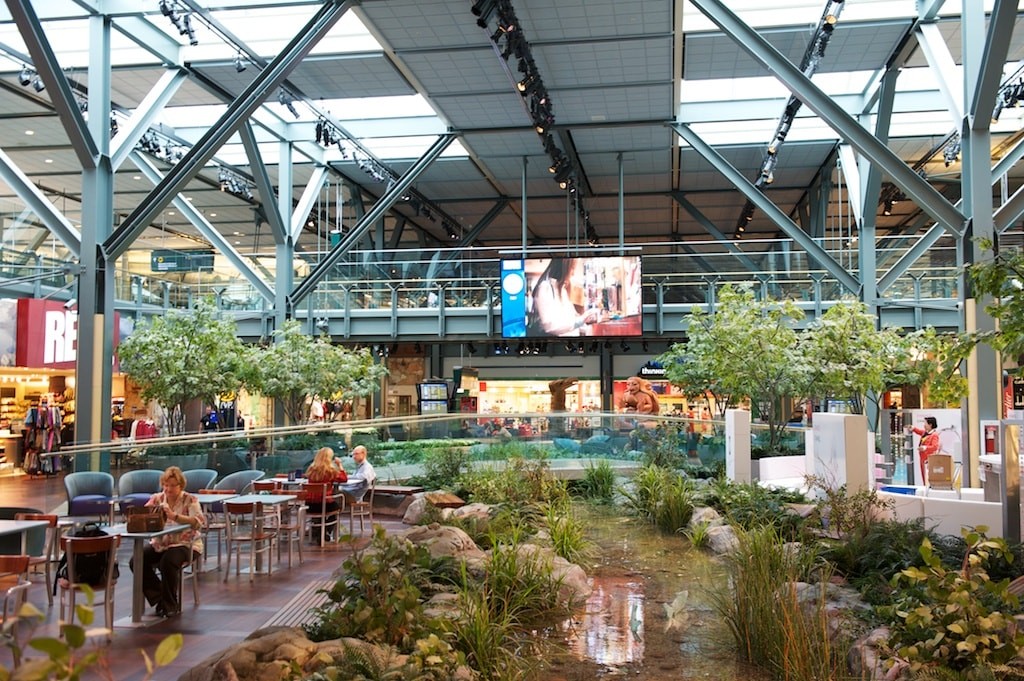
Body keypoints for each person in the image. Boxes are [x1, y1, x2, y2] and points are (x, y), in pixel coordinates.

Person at [129, 466, 205, 618]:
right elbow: (143, 514)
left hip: (186, 544)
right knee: (136, 560)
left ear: (180, 486)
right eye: (166, 485)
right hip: (160, 544)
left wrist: (175, 516)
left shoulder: (190, 499)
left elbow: (198, 522)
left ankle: (170, 605)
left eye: (172, 485)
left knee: (168, 562)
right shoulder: (157, 499)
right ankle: (159, 598)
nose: (168, 489)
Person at [528, 259, 599, 336]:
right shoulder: (545, 288)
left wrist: (584, 319)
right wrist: (581, 320)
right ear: (563, 268)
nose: (573, 273)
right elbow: (550, 326)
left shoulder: (561, 289)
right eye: (572, 268)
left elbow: (571, 318)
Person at [304, 446, 348, 514]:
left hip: (310, 505)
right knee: (336, 504)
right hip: (326, 505)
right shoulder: (330, 471)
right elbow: (344, 479)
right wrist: (339, 464)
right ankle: (328, 523)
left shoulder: (311, 469)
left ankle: (317, 522)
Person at [909, 416, 940, 484]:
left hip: (928, 459)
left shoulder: (934, 435)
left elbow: (935, 447)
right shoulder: (925, 433)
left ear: (930, 425)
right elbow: (919, 431)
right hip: (923, 458)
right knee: (924, 476)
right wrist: (913, 428)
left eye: (925, 423)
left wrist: (925, 447)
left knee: (928, 477)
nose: (924, 425)